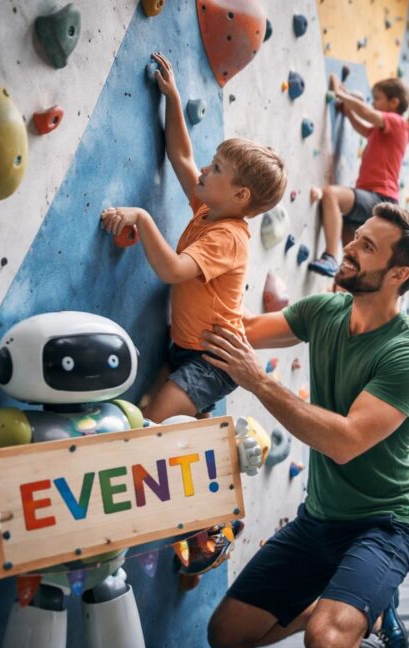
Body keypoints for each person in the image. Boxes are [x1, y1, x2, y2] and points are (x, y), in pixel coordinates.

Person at [200, 204, 409, 648]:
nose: (348, 247)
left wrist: (260, 382)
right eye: (356, 236)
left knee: (327, 645)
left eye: (366, 246)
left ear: (399, 273)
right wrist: (202, 263)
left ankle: (347, 614)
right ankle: (358, 610)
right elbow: (238, 332)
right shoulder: (323, 311)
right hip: (320, 519)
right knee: (226, 636)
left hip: (385, 525)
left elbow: (345, 442)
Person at [101, 52, 287, 423]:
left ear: (240, 196)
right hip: (185, 348)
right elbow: (181, 155)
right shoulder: (209, 209)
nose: (204, 169)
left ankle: (202, 419)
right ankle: (198, 416)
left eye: (216, 168)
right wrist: (171, 97)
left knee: (150, 423)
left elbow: (171, 270)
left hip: (214, 361)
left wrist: (141, 216)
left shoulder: (228, 238)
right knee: (143, 413)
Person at [308, 75, 409, 277]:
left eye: (378, 98)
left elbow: (366, 112)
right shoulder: (381, 130)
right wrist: (348, 110)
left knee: (331, 195)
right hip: (371, 196)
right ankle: (345, 285)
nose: (373, 103)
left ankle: (330, 256)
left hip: (380, 198)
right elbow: (363, 127)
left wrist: (342, 95)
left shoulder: (399, 123)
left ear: (394, 103)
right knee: (351, 258)